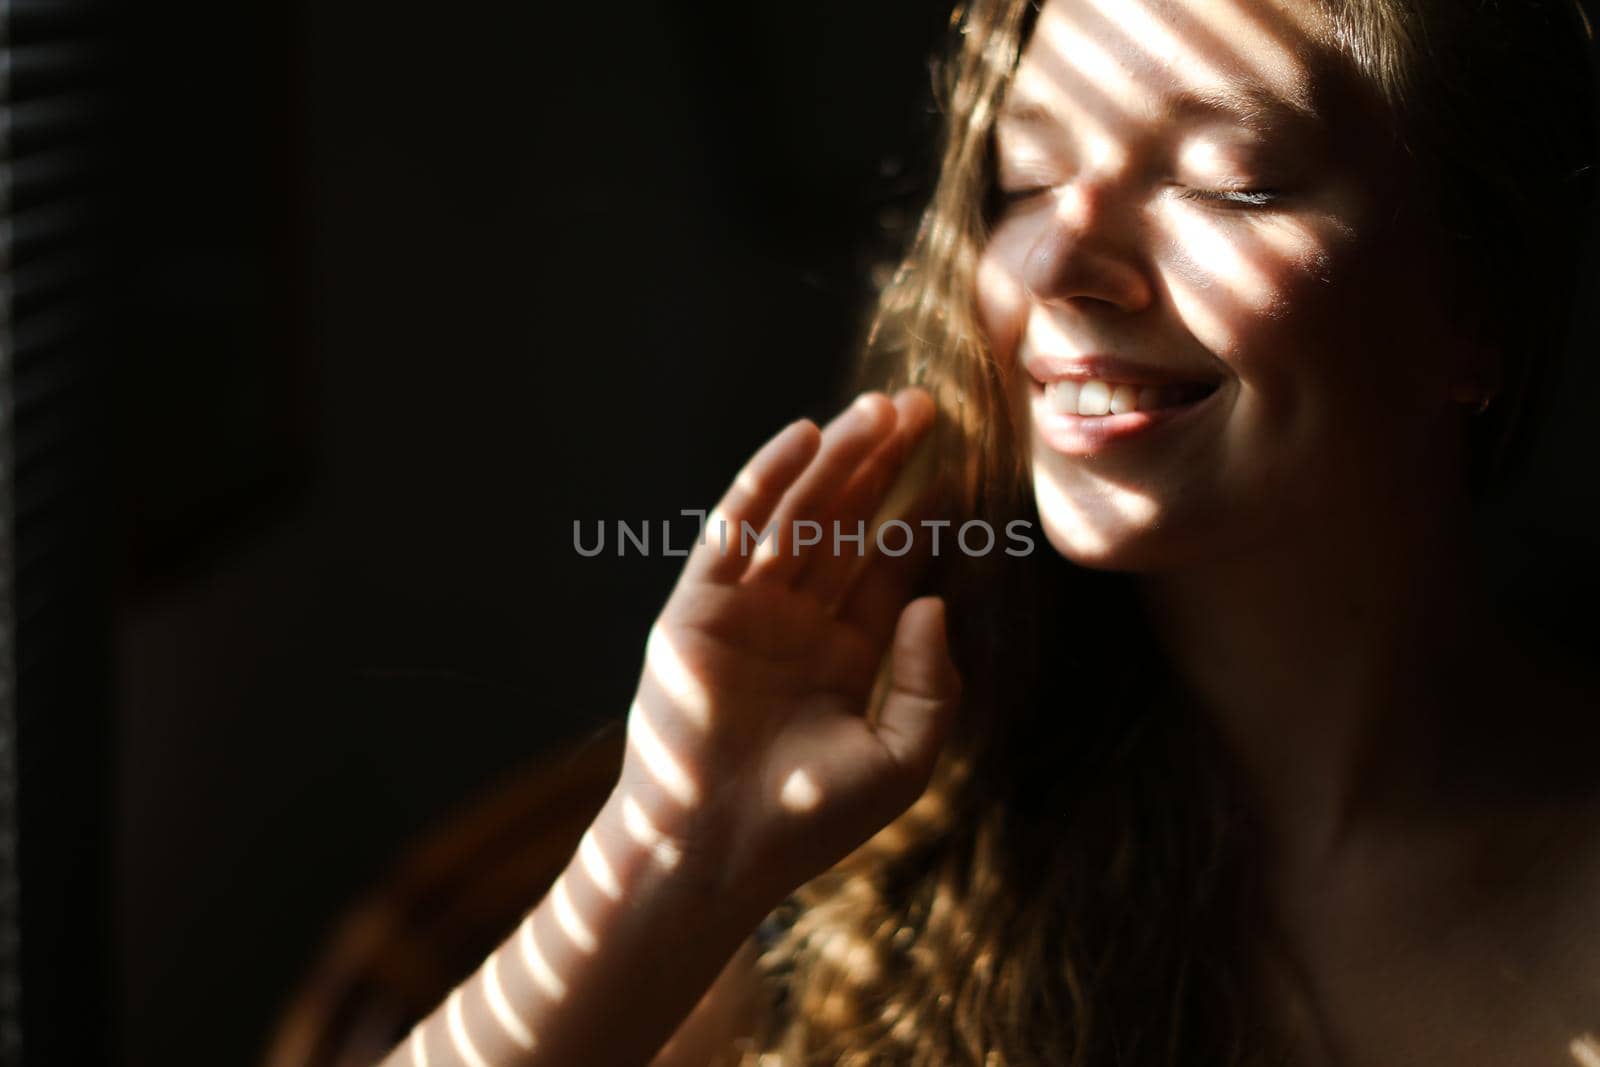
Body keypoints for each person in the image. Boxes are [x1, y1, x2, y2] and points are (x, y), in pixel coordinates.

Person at [379, 0, 1600, 1063]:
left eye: (1230, 177)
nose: (1061, 260)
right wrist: (676, 852)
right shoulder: (886, 850)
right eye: (1021, 181)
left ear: (1471, 300)